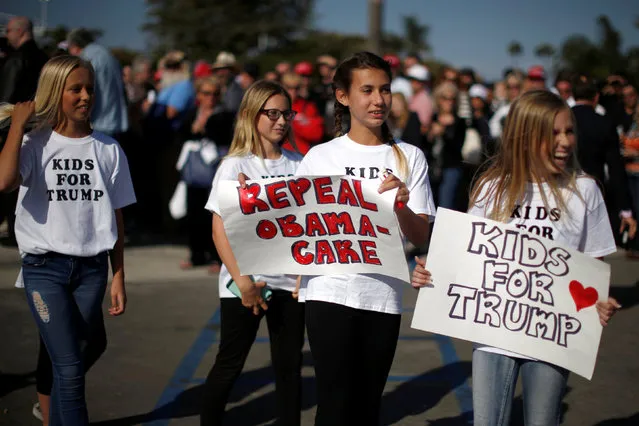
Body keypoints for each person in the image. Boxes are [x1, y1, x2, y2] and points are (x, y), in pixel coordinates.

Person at [416, 90, 621, 425]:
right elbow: (467, 253)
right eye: (552, 133)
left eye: (569, 131)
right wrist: (430, 273)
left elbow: (593, 267)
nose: (565, 141)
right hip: (493, 335)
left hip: (552, 337)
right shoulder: (492, 187)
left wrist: (600, 301)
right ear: (525, 138)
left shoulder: (585, 190)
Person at [294, 52, 435, 425]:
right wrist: (251, 200)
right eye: (367, 90)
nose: (378, 100)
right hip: (328, 289)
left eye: (385, 89)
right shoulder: (319, 157)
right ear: (343, 96)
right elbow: (296, 225)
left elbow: (422, 235)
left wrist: (402, 205)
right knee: (335, 405)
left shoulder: (409, 156)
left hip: (383, 294)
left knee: (367, 406)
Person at [0, 55, 136, 426]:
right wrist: (17, 128)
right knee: (71, 367)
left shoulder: (108, 149)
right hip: (46, 271)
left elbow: (117, 216)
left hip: (91, 272)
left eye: (89, 88)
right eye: (75, 88)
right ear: (55, 92)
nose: (85, 96)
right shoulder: (33, 143)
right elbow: (3, 181)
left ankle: (49, 416)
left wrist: (118, 274)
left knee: (74, 354)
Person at [200, 80, 305, 426]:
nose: (281, 121)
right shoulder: (234, 166)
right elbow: (220, 229)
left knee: (289, 367)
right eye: (271, 113)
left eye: (286, 113)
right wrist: (243, 282)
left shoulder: (300, 163)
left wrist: (304, 276)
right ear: (250, 115)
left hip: (291, 284)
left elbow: (311, 225)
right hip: (244, 285)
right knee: (230, 363)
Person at [571, 76, 637, 245]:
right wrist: (625, 209)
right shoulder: (604, 123)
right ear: (596, 97)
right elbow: (615, 169)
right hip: (594, 193)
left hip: (563, 191)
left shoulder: (562, 122)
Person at [177, 76, 223, 272]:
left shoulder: (224, 115)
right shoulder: (191, 114)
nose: (210, 98)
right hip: (195, 172)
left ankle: (216, 257)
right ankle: (196, 254)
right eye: (206, 93)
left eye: (214, 94)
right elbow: (181, 135)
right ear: (198, 96)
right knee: (194, 213)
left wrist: (206, 129)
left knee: (214, 215)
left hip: (215, 171)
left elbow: (224, 137)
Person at [66, 28, 128, 138]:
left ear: (75, 46)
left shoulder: (86, 58)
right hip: (116, 120)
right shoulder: (108, 55)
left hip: (99, 122)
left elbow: (87, 92)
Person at [280, 72, 324, 155]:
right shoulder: (276, 105)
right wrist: (300, 122)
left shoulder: (308, 106)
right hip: (281, 154)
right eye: (289, 88)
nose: (293, 92)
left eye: (296, 88)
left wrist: (293, 123)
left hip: (301, 155)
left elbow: (317, 133)